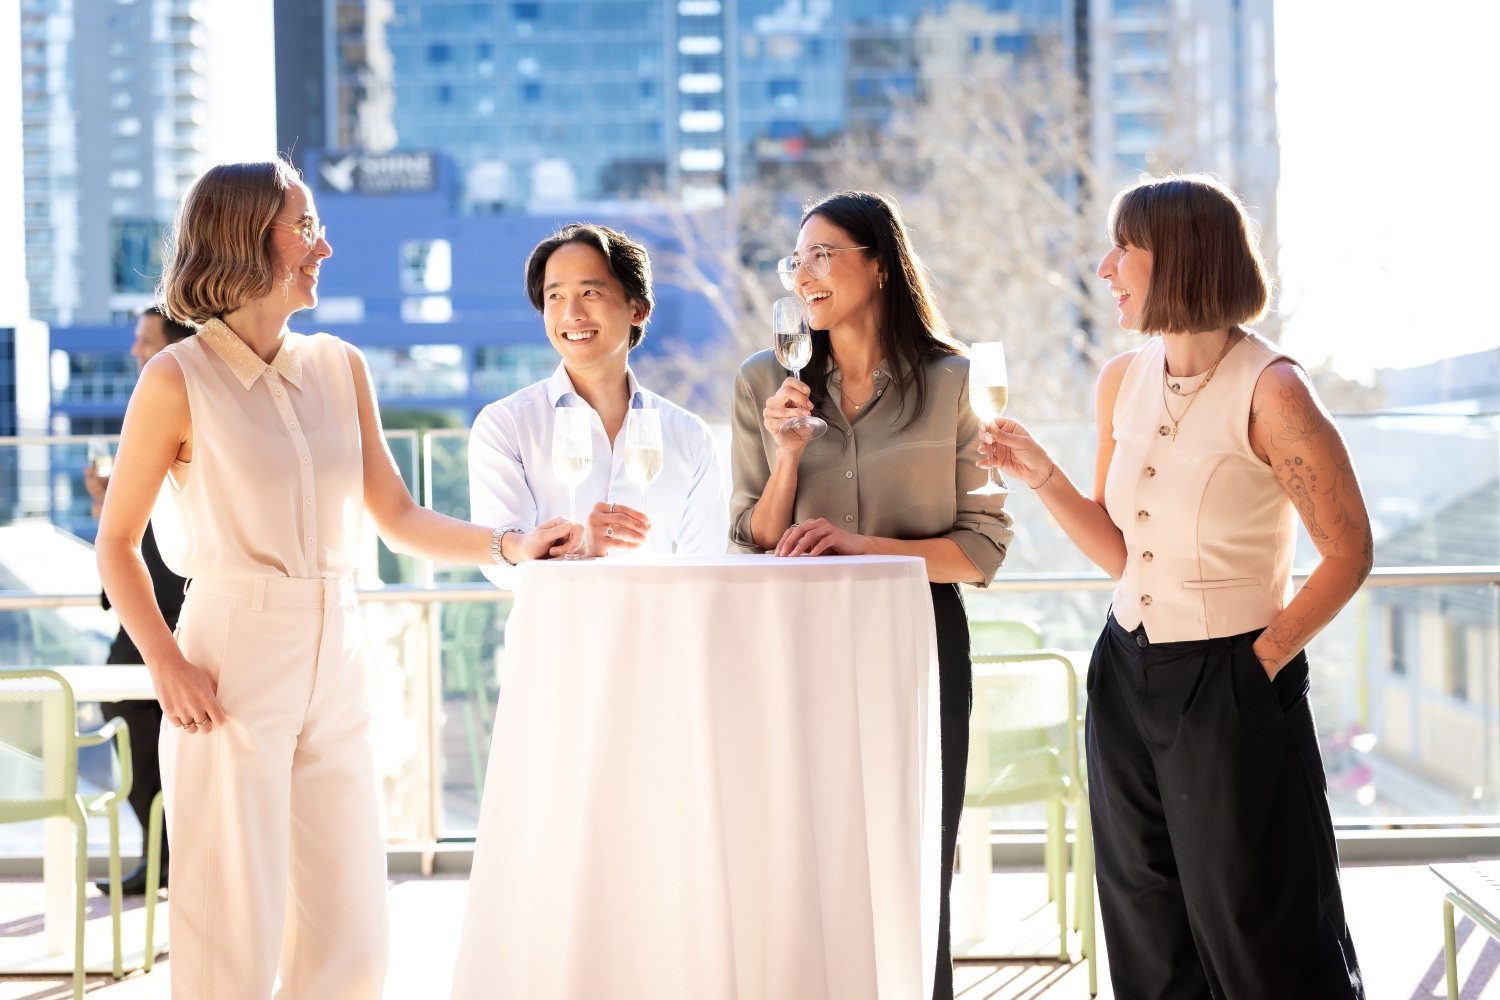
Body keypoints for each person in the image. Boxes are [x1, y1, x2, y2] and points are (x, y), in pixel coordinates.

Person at [96, 159, 515, 1000]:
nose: (324, 245)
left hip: (340, 647)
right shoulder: (175, 380)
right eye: (306, 225)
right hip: (232, 660)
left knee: (352, 945)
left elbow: (396, 515)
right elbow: (117, 544)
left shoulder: (339, 365)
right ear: (249, 238)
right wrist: (166, 666)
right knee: (231, 939)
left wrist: (513, 544)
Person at [980, 174, 1369, 998]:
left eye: (1124, 248)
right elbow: (1121, 553)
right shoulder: (1122, 379)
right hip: (1124, 673)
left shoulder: (1275, 391)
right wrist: (1042, 474)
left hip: (1230, 680)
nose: (1103, 267)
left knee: (1262, 931)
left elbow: (1348, 551)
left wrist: (1259, 662)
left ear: (1183, 258)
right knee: (1147, 928)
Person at [727, 190, 1013, 999]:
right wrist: (786, 457)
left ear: (879, 264)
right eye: (796, 258)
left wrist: (864, 547)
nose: (805, 274)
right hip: (799, 642)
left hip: (917, 639)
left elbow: (982, 550)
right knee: (806, 862)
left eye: (824, 254)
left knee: (918, 856)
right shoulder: (763, 380)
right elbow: (750, 536)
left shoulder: (957, 384)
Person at [467, 222, 728, 585]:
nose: (571, 313)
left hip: (660, 636)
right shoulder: (505, 425)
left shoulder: (689, 435)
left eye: (590, 292)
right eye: (555, 296)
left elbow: (707, 568)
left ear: (637, 309)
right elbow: (504, 570)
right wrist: (585, 551)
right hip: (555, 638)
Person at [86, 305, 195, 896]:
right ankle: (164, 853)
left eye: (143, 340)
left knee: (138, 717)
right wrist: (108, 507)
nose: (134, 352)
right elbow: (129, 534)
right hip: (147, 607)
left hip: (182, 606)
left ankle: (173, 855)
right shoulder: (152, 407)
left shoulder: (185, 399)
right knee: (128, 718)